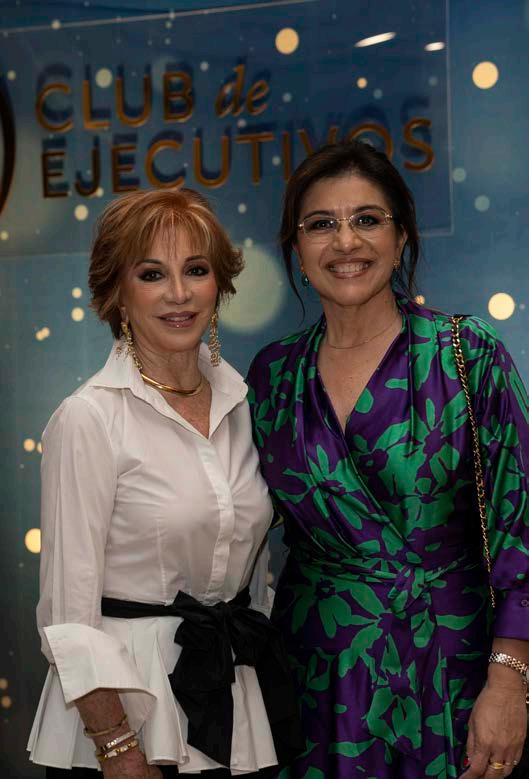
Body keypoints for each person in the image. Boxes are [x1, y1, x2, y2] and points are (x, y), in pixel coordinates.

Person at [246, 140, 529, 779]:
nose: (345, 241)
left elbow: (523, 528)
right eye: (322, 224)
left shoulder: (467, 355)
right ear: (296, 249)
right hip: (315, 683)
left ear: (400, 239)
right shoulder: (273, 376)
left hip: (452, 676)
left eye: (367, 219)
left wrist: (510, 682)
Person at [27, 187, 302, 778]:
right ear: (118, 294)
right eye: (152, 274)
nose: (179, 293)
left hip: (233, 702)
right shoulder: (89, 418)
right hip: (128, 720)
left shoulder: (242, 403)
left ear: (218, 285)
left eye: (196, 270)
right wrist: (117, 748)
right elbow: (67, 616)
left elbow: (252, 572)